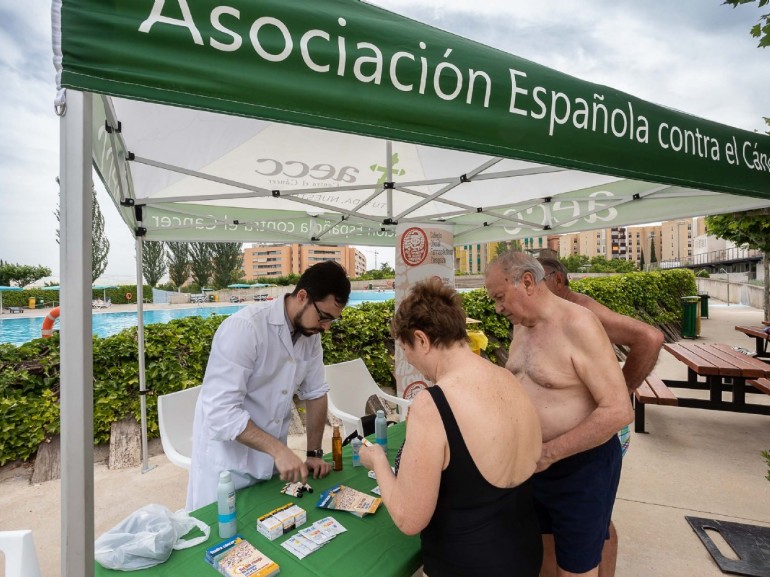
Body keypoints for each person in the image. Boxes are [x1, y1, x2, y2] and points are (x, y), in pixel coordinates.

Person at [359, 277, 543, 577]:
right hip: (524, 553)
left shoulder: (433, 406)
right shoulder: (508, 378)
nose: (409, 360)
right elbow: (532, 457)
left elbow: (409, 519)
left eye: (406, 349)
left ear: (422, 339)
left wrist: (378, 460)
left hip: (467, 565)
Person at [485, 252, 634, 577]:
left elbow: (619, 410)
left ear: (526, 282)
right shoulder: (521, 328)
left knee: (577, 569)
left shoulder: (578, 324)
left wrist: (550, 452)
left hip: (581, 469)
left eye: (499, 297)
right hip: (534, 467)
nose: (497, 308)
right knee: (542, 560)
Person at [186, 260, 351, 510]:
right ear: (303, 296)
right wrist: (278, 450)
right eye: (324, 317)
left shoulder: (310, 336)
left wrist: (314, 453)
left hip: (271, 463)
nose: (326, 328)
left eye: (332, 321)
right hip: (228, 465)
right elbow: (220, 412)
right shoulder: (245, 329)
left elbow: (315, 393)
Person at [538, 257, 664, 577]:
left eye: (536, 279)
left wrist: (622, 390)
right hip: (571, 437)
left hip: (599, 431)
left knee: (597, 522)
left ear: (559, 281)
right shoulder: (546, 316)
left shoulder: (584, 311)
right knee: (569, 524)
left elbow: (649, 338)